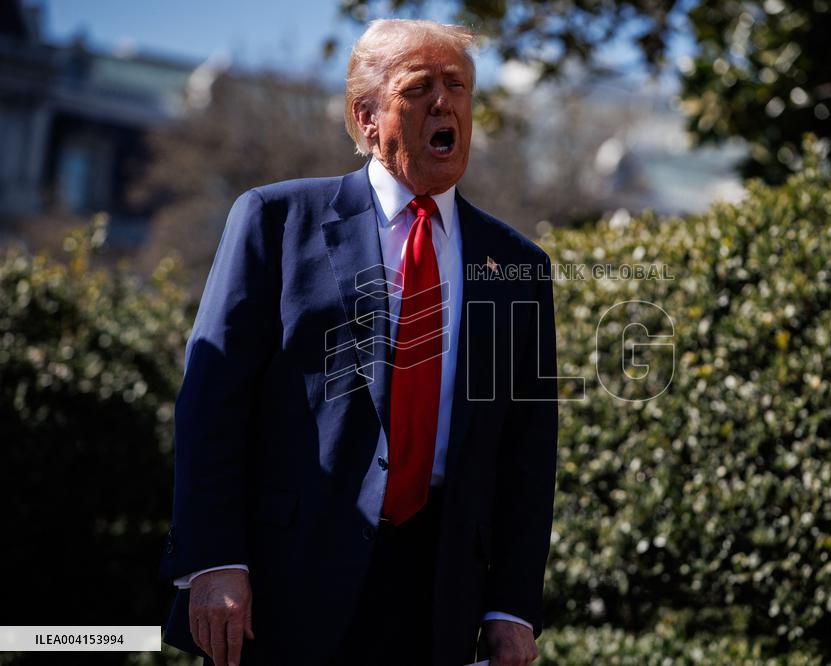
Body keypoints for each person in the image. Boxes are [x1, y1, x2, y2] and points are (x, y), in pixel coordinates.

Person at [159, 18, 558, 666]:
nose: (445, 103)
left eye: (457, 86)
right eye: (420, 86)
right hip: (284, 581)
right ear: (366, 115)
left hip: (436, 595)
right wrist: (214, 559)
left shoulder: (516, 264)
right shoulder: (276, 220)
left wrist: (511, 607)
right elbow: (212, 403)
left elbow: (527, 449)